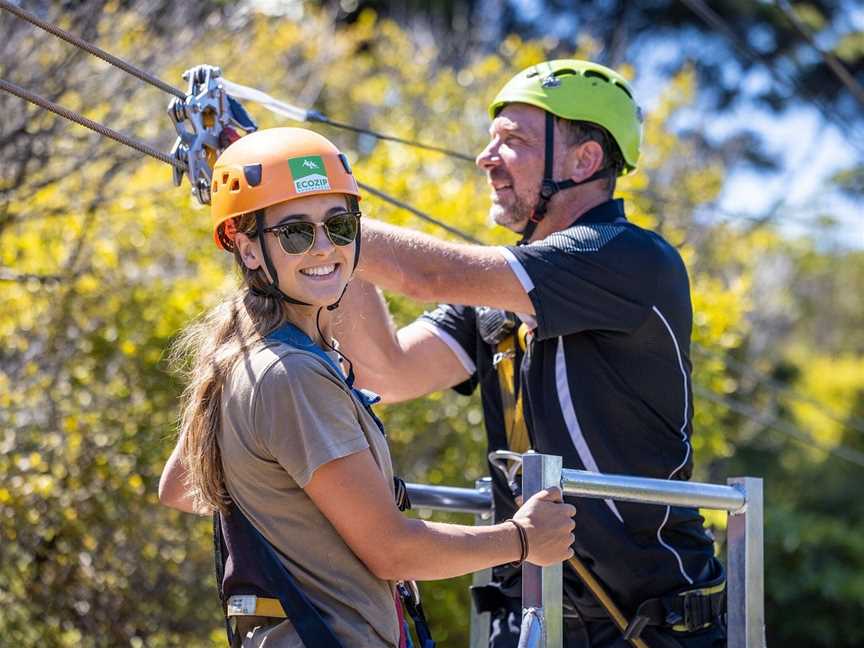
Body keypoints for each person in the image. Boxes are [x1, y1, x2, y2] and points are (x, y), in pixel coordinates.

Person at [333, 60, 727, 647]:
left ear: (584, 161)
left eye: (512, 141)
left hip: (653, 623)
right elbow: (381, 372)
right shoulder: (491, 302)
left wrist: (316, 214)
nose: (486, 158)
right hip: (533, 618)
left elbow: (428, 272)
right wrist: (328, 223)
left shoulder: (629, 257)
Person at [157, 126, 576, 648]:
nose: (323, 247)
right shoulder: (291, 374)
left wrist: (294, 509)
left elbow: (180, 485)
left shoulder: (243, 359)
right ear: (248, 250)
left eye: (339, 225)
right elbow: (393, 551)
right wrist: (522, 539)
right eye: (295, 233)